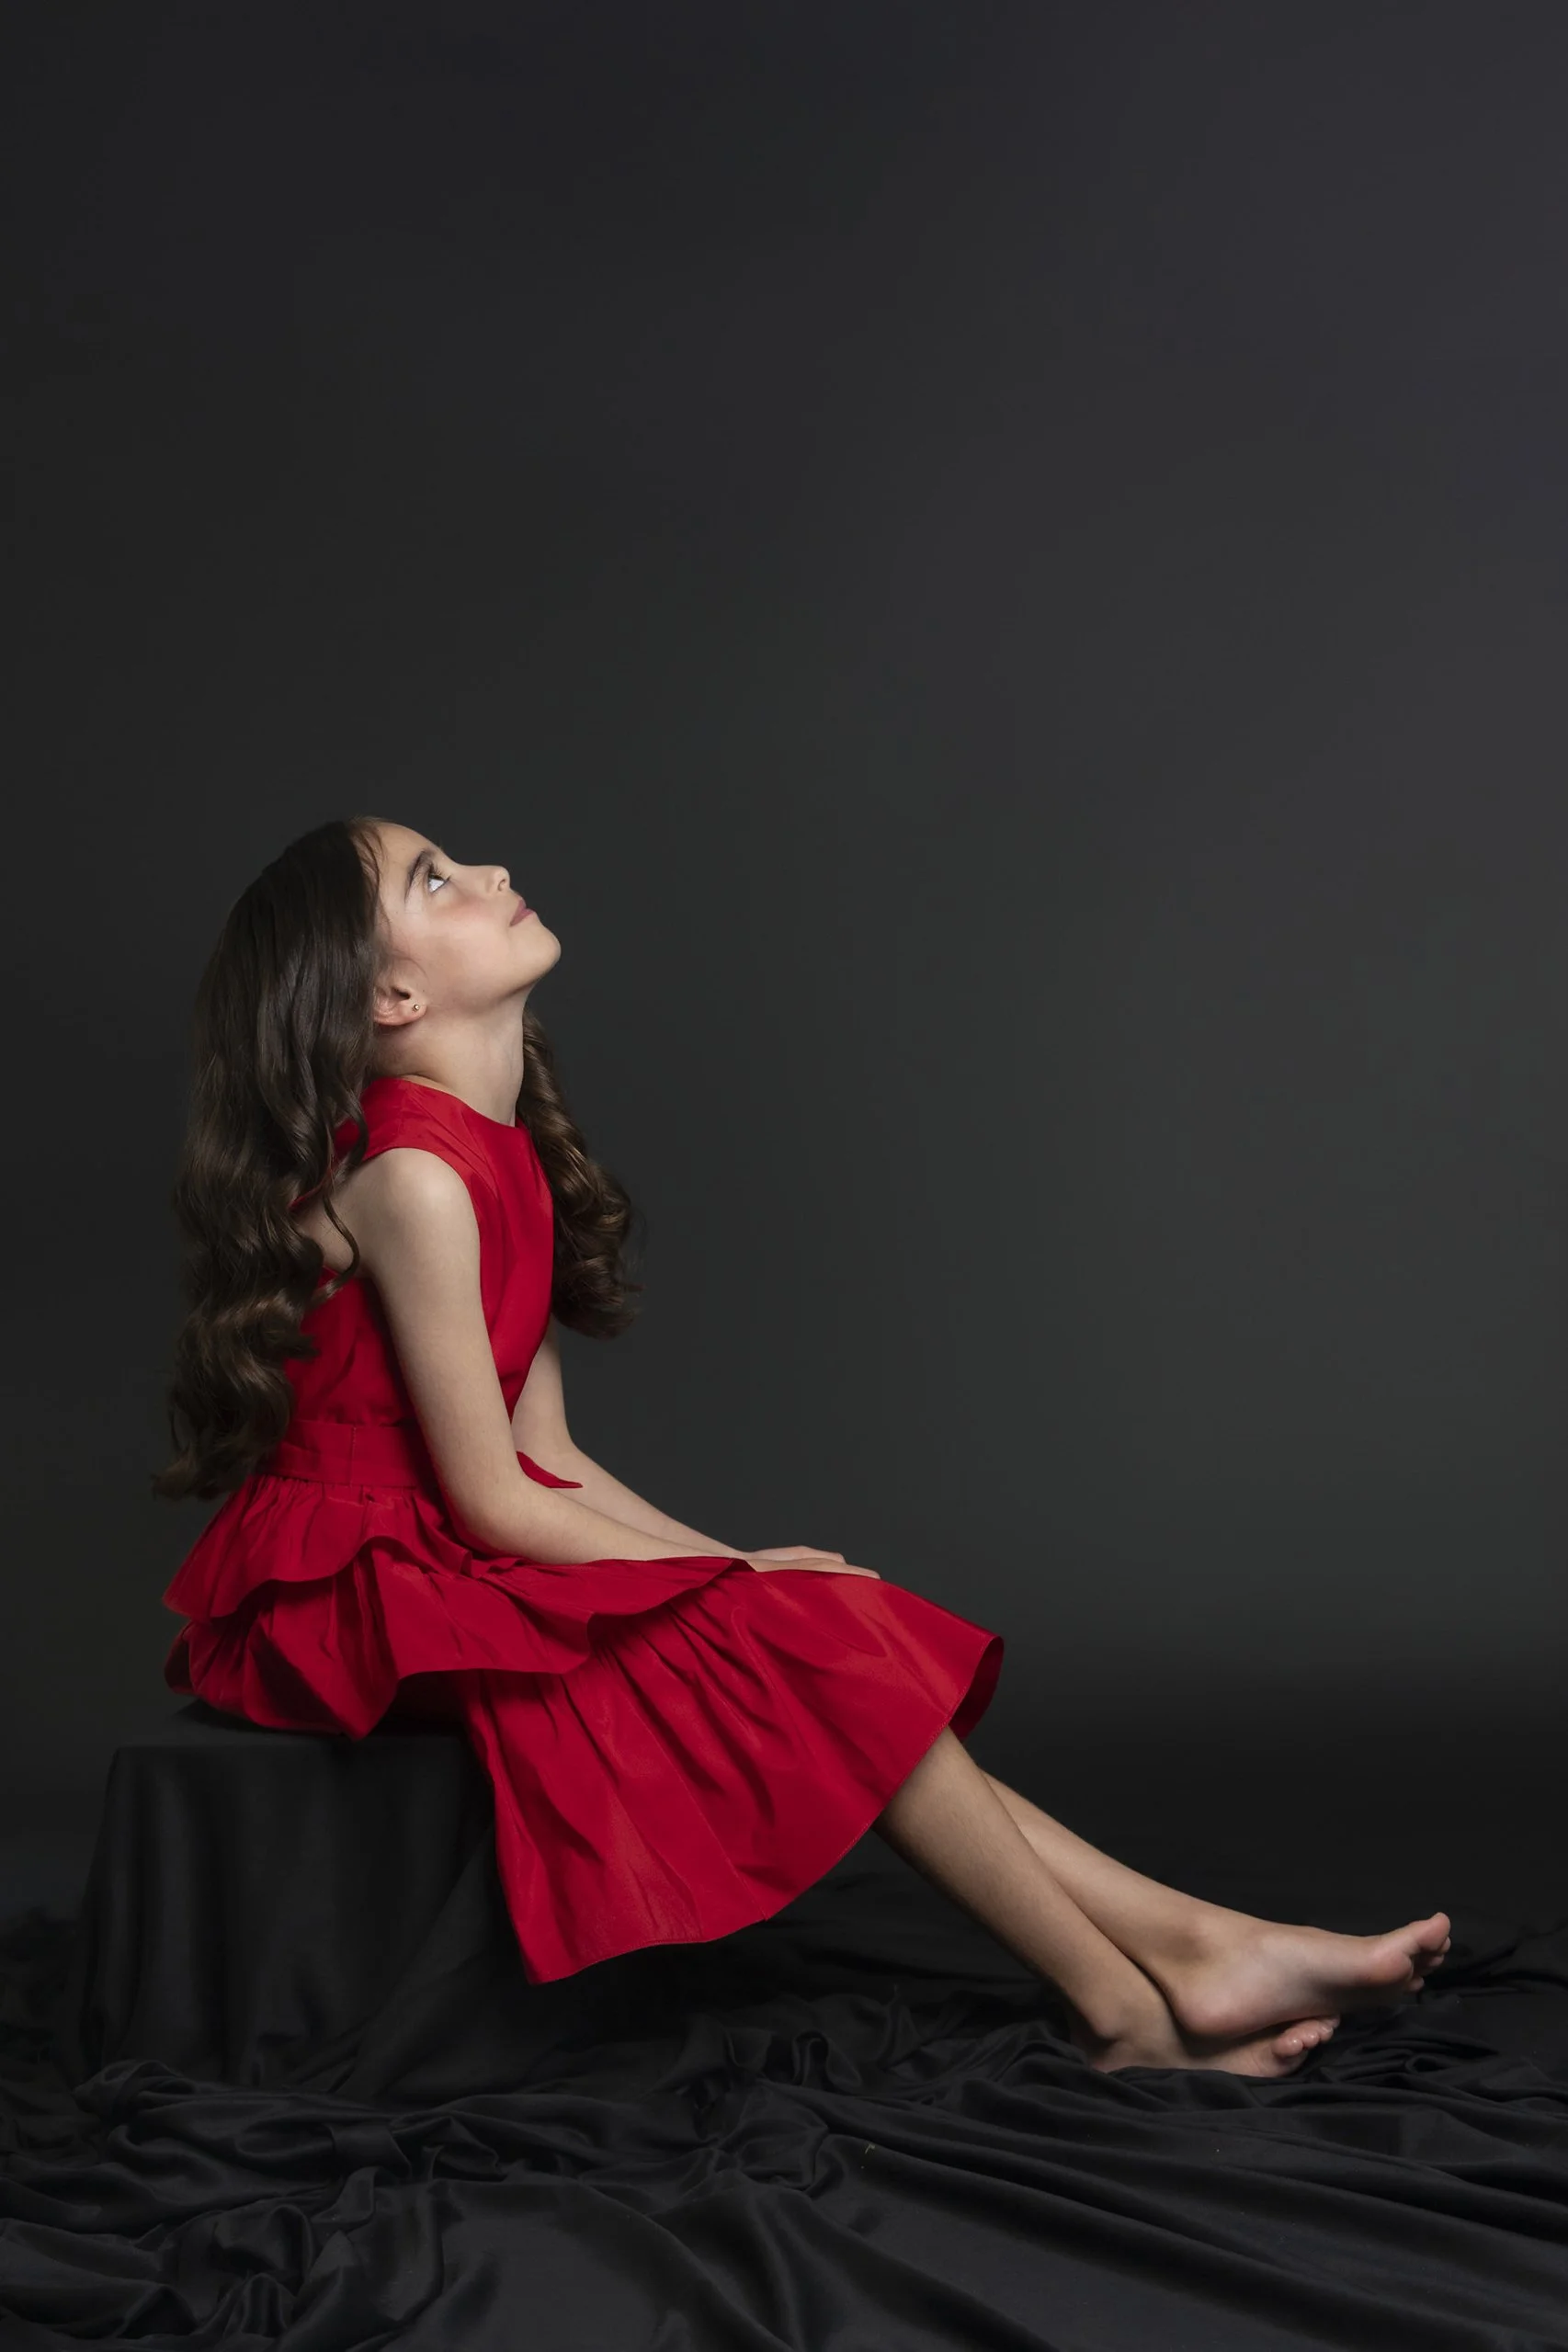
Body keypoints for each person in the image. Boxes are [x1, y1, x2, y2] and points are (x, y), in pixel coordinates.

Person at [157, 816, 1451, 2075]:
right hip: (352, 1588)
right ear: (386, 992)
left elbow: (543, 1447)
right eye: (437, 880)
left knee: (824, 1613)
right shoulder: (415, 1181)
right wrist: (733, 1586)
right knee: (806, 1638)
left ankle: (1199, 1947)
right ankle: (1127, 1999)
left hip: (455, 1541)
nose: (493, 870)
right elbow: (493, 1496)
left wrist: (737, 1563)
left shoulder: (500, 1161)